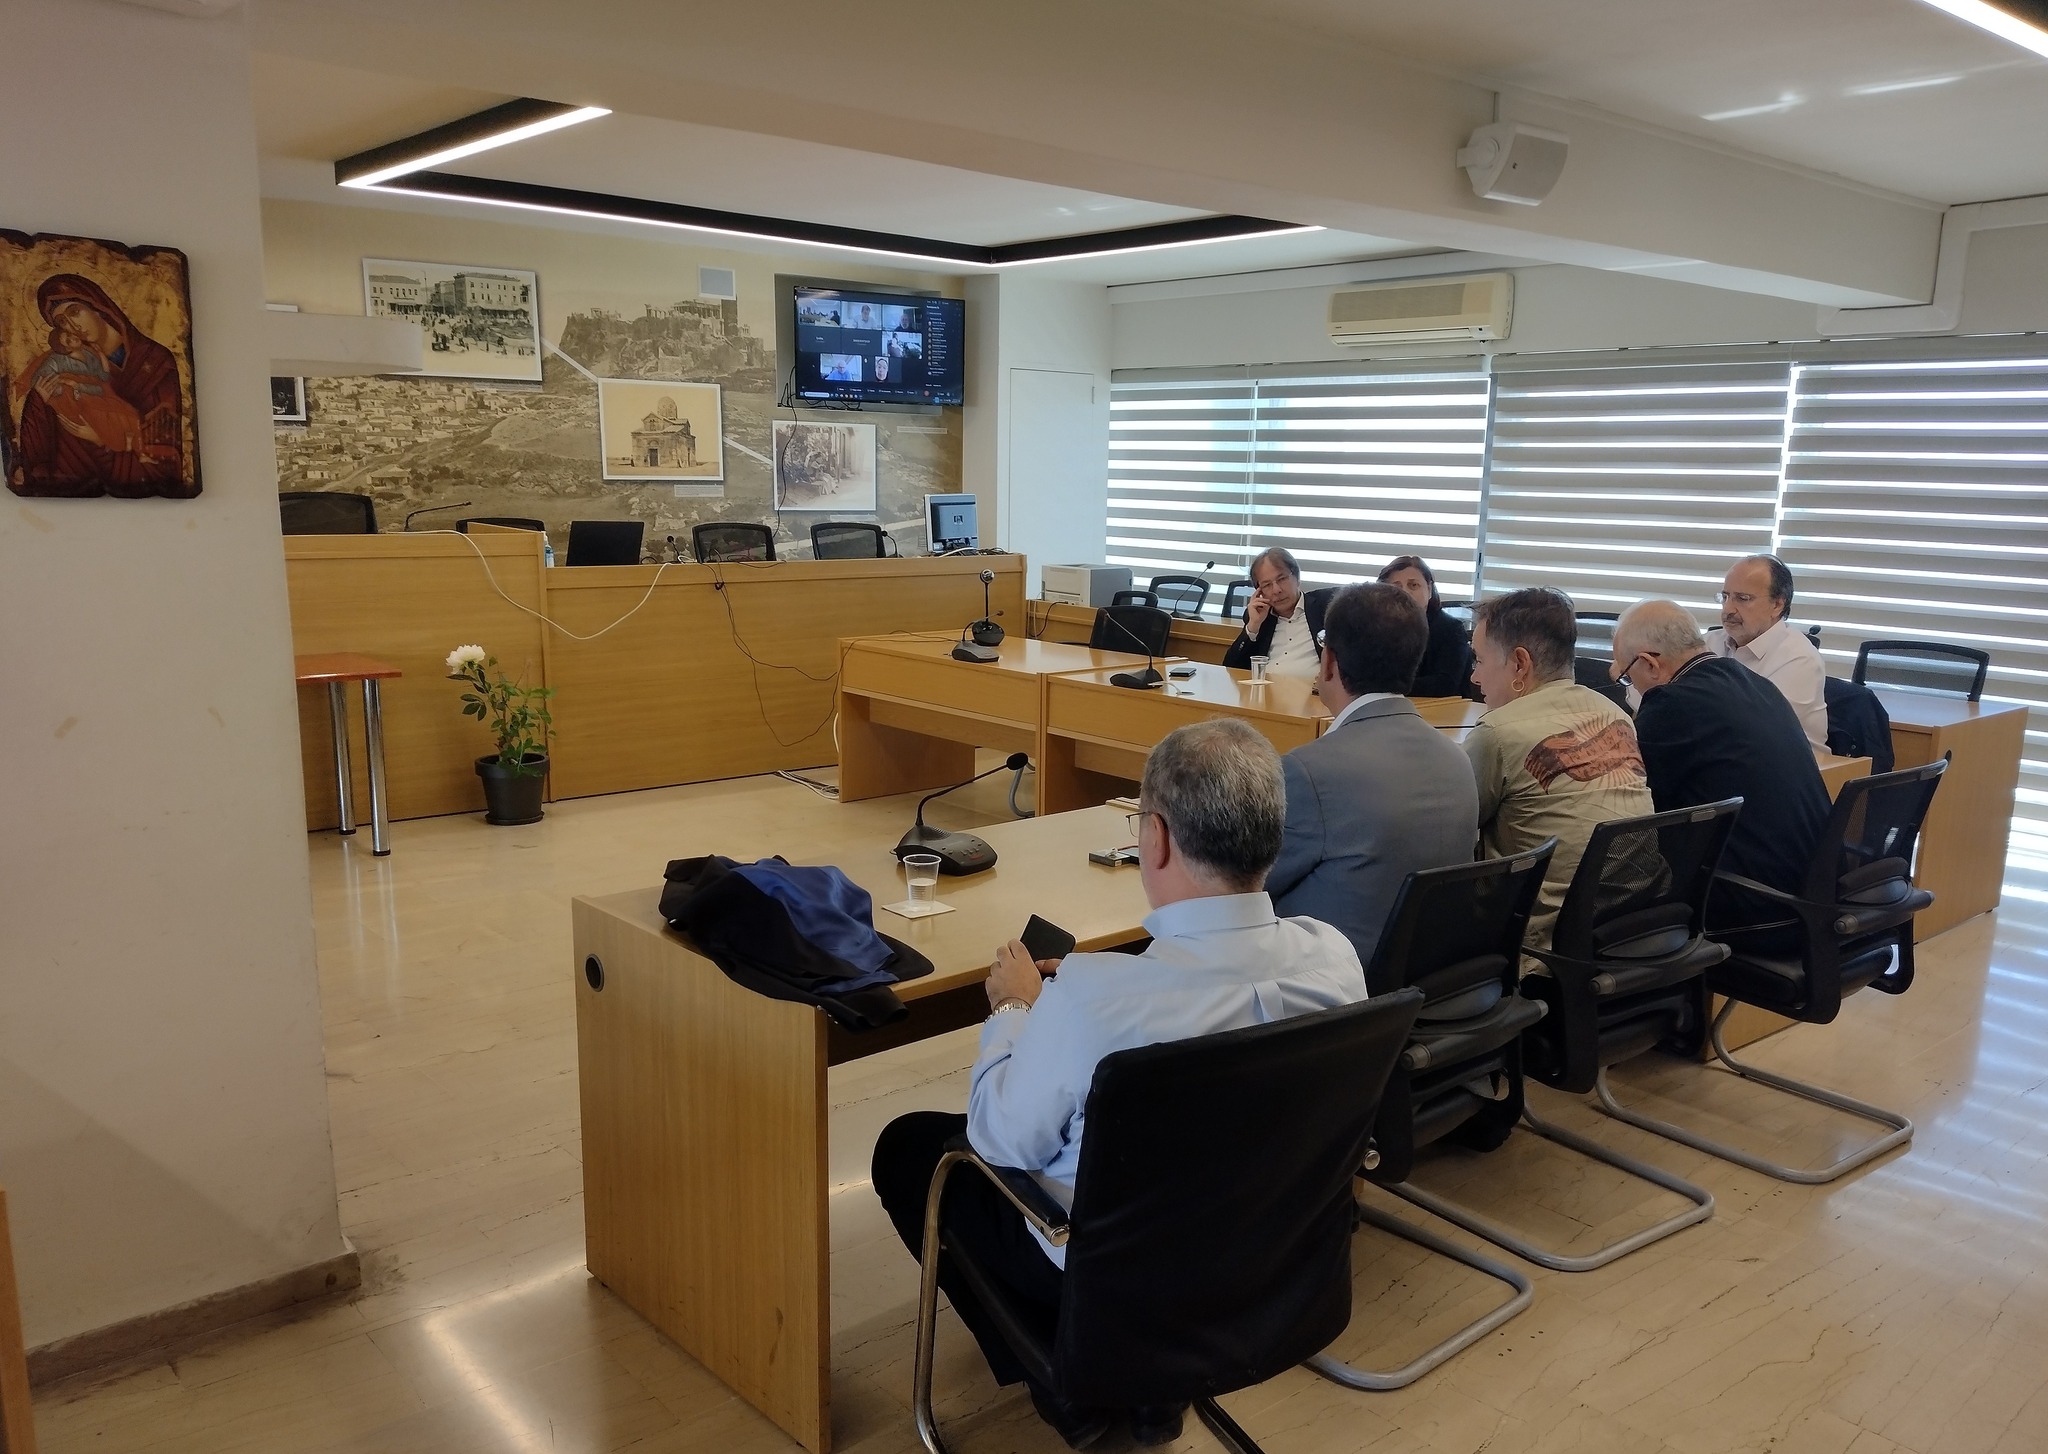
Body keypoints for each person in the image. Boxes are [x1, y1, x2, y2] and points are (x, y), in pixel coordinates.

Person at [870, 718, 1368, 1450]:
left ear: (1154, 838)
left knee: (913, 1149)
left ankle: (1071, 1383)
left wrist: (1015, 1011)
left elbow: (1000, 1138)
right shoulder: (1335, 960)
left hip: (1118, 1279)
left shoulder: (1094, 999)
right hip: (1275, 1254)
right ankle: (1144, 1388)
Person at [1266, 583, 1479, 961]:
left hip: (1329, 980)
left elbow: (1246, 884)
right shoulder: (1457, 760)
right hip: (1430, 974)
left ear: (1329, 662)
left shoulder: (1308, 771)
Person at [1612, 599, 1832, 947]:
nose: (1632, 687)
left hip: (1756, 910)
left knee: (1602, 893)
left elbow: (1631, 804)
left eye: (1627, 676)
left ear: (1650, 664)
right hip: (1813, 898)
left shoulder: (1672, 704)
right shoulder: (1758, 685)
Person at [1465, 588, 1653, 950]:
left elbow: (1453, 832)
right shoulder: (1616, 715)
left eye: (1479, 659)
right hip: (1628, 925)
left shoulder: (1498, 733)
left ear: (1519, 664)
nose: (1475, 676)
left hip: (1540, 941)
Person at [12, 273, 184, 498]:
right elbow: (37, 448)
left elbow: (166, 456)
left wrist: (102, 441)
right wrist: (39, 400)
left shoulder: (155, 361)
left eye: (75, 312)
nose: (72, 325)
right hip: (71, 487)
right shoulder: (60, 364)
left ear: (98, 306)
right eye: (61, 322)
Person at [1710, 554, 1827, 749]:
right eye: (1725, 597)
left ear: (1777, 605)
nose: (1728, 609)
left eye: (1742, 599)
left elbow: (1754, 730)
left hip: (1783, 762)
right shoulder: (1707, 644)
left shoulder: (1799, 659)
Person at [1222, 546, 1330, 678]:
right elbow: (1231, 668)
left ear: (1297, 578)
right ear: (1259, 592)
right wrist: (1253, 627)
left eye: (1282, 579)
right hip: (1267, 690)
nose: (1276, 590)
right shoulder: (1260, 619)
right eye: (1267, 585)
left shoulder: (1325, 608)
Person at [1378, 554, 1472, 697]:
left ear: (1429, 589)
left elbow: (1445, 684)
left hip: (1445, 708)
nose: (1405, 592)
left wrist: (1388, 686)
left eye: (1413, 585)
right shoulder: (1379, 628)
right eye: (1396, 587)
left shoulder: (1451, 629)